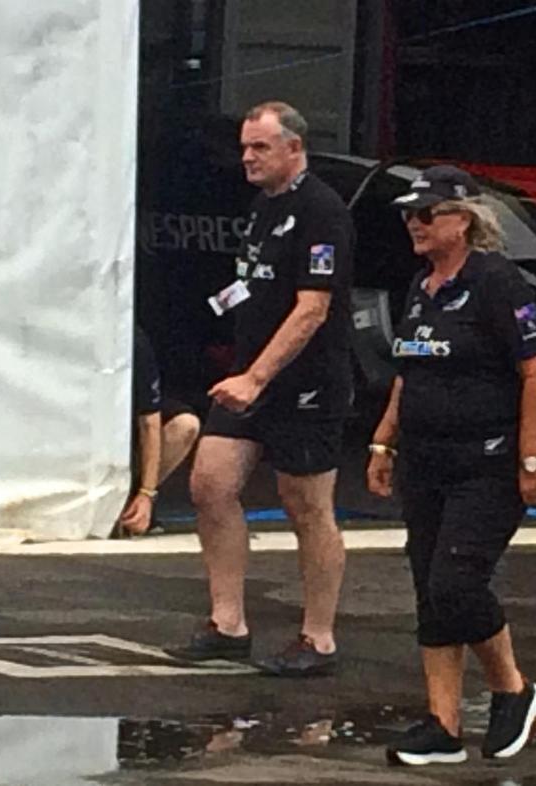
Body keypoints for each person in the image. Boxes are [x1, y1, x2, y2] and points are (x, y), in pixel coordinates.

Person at [367, 165, 536, 765]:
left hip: (487, 461)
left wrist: (532, 458)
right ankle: (442, 724)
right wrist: (383, 441)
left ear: (463, 219)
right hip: (425, 460)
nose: (414, 225)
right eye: (409, 215)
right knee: (429, 588)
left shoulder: (497, 283)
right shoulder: (420, 288)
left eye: (426, 215)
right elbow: (409, 372)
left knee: (457, 582)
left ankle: (513, 688)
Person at [165, 101, 354, 677]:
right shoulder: (260, 209)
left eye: (260, 147)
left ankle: (318, 637)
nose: (247, 157)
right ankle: (228, 623)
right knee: (210, 482)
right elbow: (250, 285)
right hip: (248, 375)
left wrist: (257, 376)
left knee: (306, 505)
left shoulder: (323, 212)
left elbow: (311, 309)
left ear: (294, 148)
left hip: (306, 383)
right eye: (245, 147)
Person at [117, 326, 201, 536]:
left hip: (128, 422)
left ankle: (132, 505)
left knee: (185, 425)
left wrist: (146, 494)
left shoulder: (132, 338)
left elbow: (149, 420)